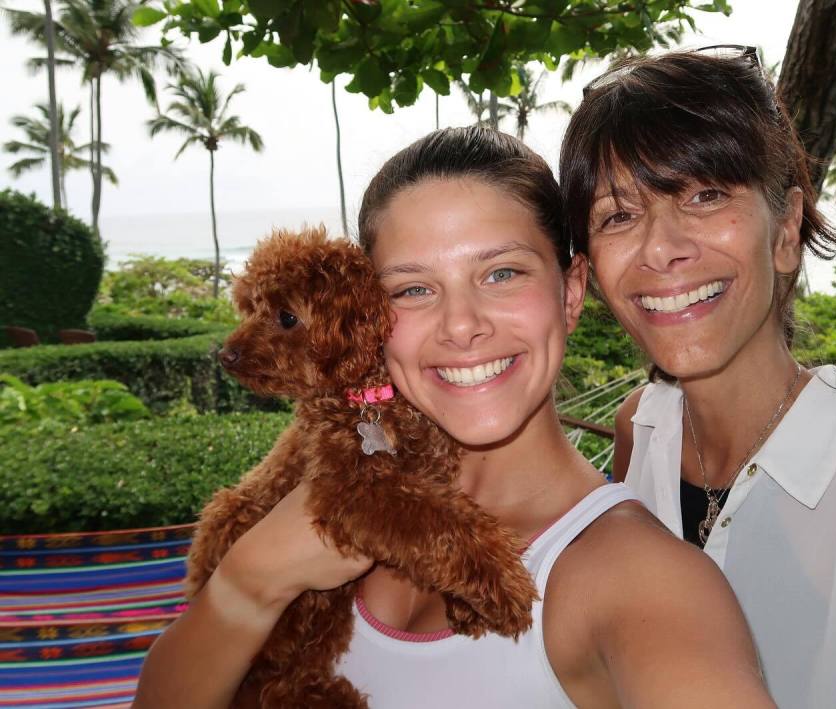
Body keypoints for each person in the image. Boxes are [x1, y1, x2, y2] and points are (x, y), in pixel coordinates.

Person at [133, 126, 774, 708]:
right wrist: (251, 580)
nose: (462, 325)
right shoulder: (320, 491)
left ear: (571, 292)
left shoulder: (642, 584)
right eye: (412, 289)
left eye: (501, 273)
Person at [558, 49, 836, 709]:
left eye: (706, 194)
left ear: (787, 227)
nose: (662, 246)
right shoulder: (642, 430)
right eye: (618, 215)